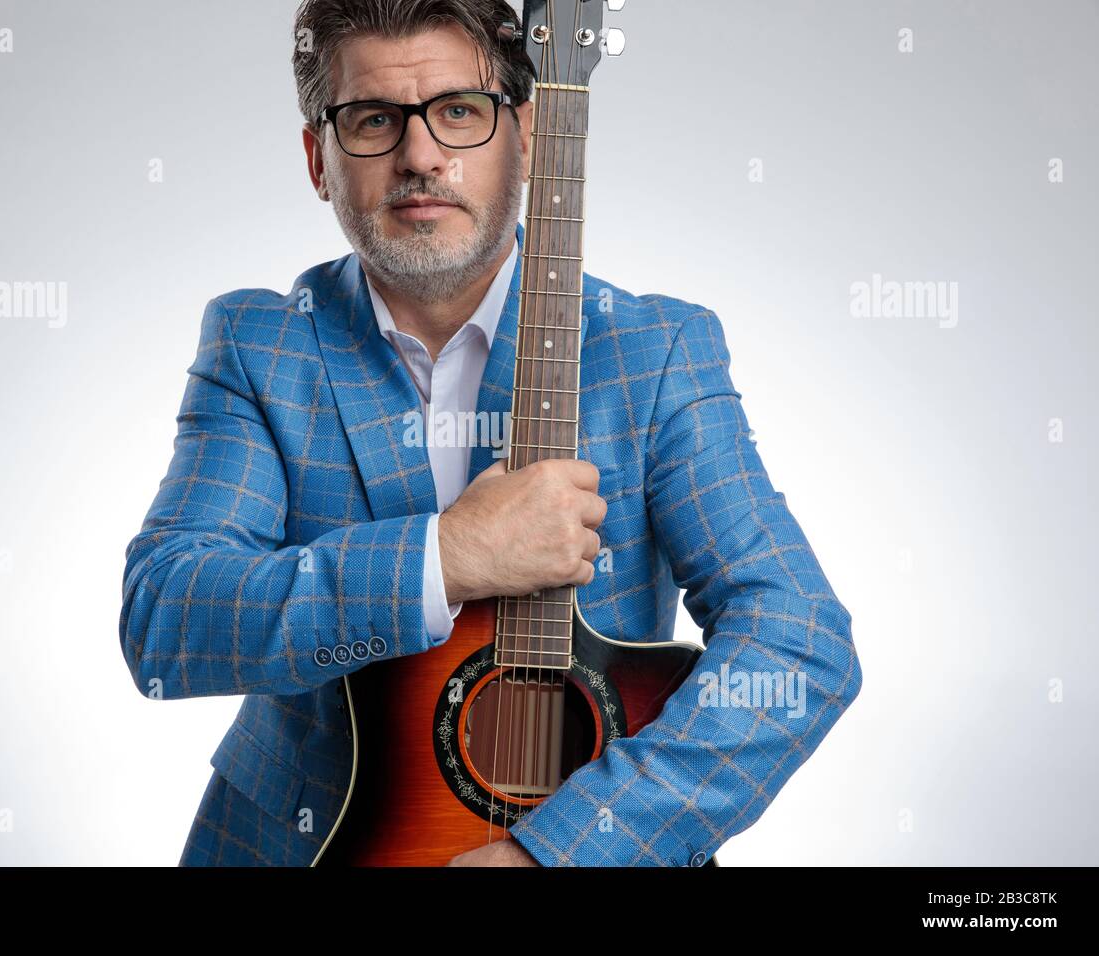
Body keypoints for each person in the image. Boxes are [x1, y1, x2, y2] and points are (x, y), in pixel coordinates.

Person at [119, 0, 862, 867]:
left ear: (531, 137)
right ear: (320, 160)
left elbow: (799, 637)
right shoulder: (261, 345)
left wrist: (558, 853)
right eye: (373, 121)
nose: (420, 155)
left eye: (459, 112)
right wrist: (446, 557)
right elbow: (168, 616)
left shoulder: (652, 352)